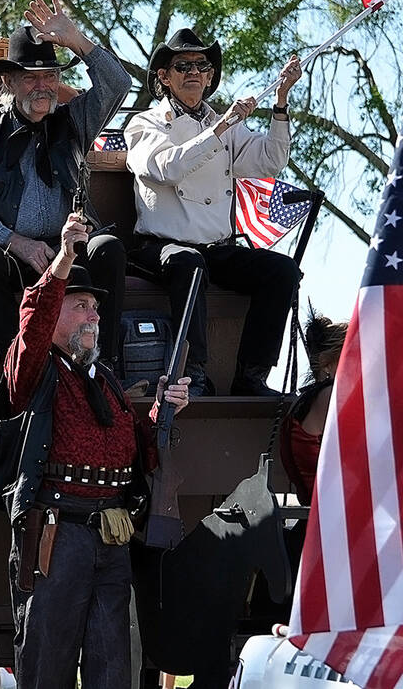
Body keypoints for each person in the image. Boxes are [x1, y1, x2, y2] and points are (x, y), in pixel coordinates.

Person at [0, 213, 191, 688]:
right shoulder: (31, 367)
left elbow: (138, 452)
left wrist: (163, 413)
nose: (94, 315)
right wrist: (65, 258)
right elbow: (34, 320)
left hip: (109, 538)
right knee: (46, 667)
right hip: (55, 538)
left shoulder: (104, 379)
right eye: (82, 305)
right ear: (58, 313)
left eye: (95, 307)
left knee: (111, 669)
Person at [0, 0, 131, 366]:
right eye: (31, 78)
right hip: (12, 251)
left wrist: (77, 41)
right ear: (9, 81)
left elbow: (117, 84)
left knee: (108, 247)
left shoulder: (73, 121)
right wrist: (17, 242)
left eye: (50, 76)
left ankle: (105, 367)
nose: (43, 86)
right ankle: (20, 369)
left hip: (69, 245)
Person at [124, 28, 303, 396]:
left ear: (209, 77)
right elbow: (168, 167)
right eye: (183, 65)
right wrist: (220, 128)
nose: (193, 71)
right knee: (190, 265)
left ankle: (251, 377)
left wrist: (281, 100)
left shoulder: (225, 127)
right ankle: (194, 376)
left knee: (282, 271)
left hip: (214, 247)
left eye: (201, 65)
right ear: (164, 76)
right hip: (161, 247)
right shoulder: (146, 124)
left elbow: (271, 160)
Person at [278, 313, 347, 504]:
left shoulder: (306, 399)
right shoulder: (331, 395)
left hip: (324, 507)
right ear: (327, 363)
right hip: (333, 508)